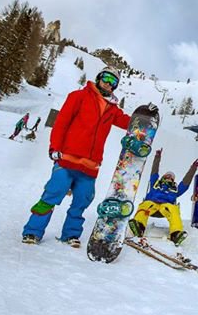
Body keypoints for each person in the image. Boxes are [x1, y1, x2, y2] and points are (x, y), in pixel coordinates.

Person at [21, 67, 144, 247]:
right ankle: (32, 231)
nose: (109, 84)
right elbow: (61, 122)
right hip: (67, 159)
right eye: (107, 78)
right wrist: (54, 147)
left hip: (90, 166)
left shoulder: (112, 109)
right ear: (99, 77)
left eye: (114, 82)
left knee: (82, 201)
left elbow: (127, 122)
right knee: (51, 196)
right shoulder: (78, 96)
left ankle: (70, 234)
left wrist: (143, 117)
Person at [127, 149, 198, 246]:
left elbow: (186, 182)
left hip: (166, 207)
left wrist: (193, 168)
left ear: (173, 180)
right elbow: (154, 171)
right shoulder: (155, 183)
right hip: (152, 204)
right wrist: (157, 157)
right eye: (167, 175)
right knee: (144, 206)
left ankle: (176, 233)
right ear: (163, 176)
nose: (169, 177)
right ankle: (139, 227)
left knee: (174, 210)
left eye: (171, 176)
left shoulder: (176, 189)